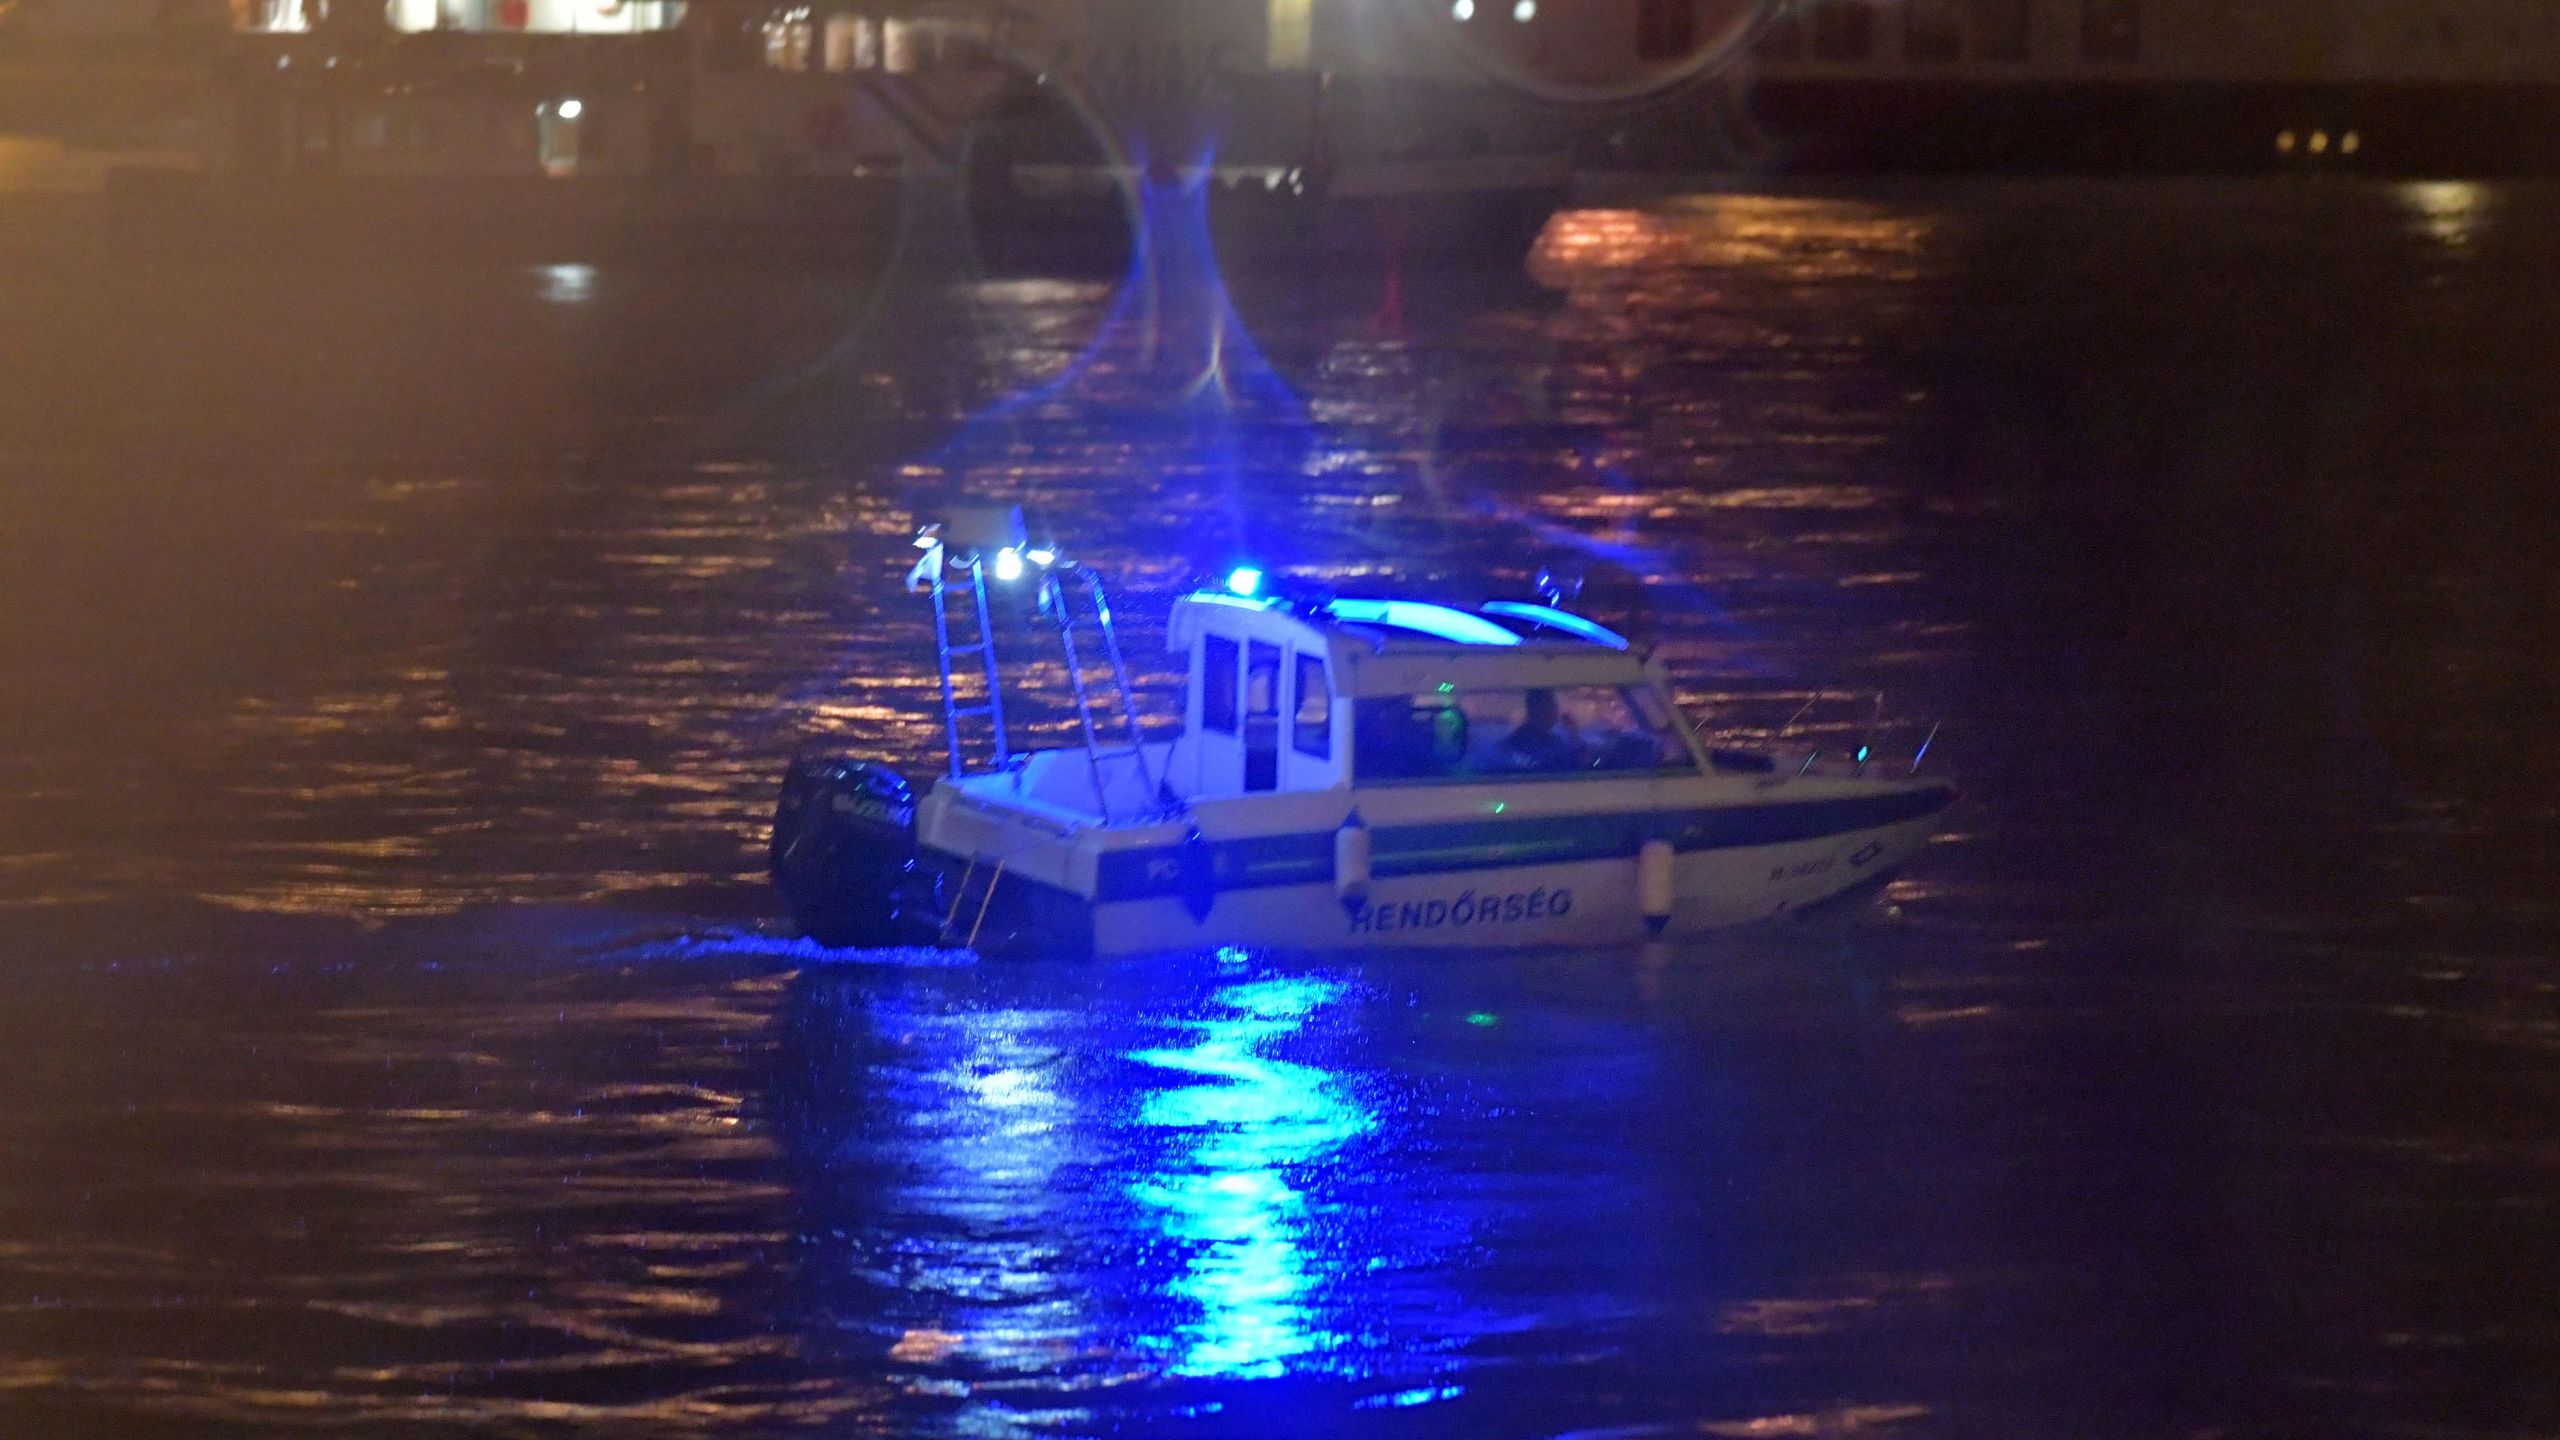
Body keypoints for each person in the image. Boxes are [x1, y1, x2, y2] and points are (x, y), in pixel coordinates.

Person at [1499, 690, 1578, 772]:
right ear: (1533, 710)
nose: (1556, 713)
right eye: (1550, 707)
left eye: (1555, 707)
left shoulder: (1558, 743)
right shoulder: (1507, 746)